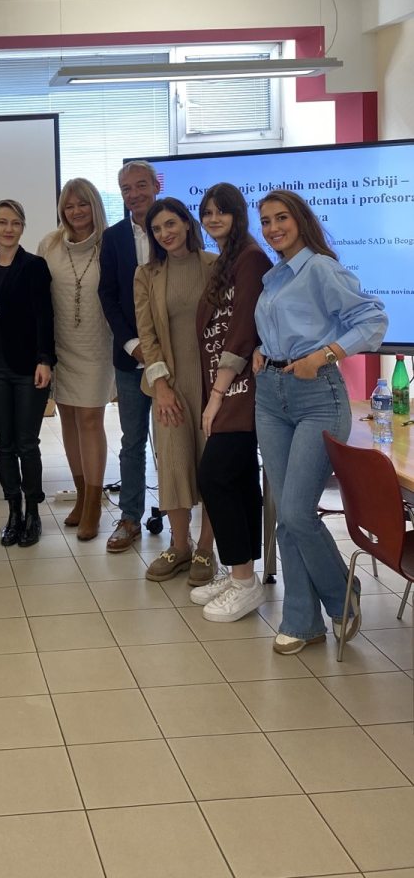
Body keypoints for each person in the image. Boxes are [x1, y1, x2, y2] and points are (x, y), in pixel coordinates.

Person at [253, 189, 387, 654]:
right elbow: (285, 327)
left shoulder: (320, 268)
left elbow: (373, 320)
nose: (273, 228)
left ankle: (342, 595)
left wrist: (324, 355)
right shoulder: (275, 276)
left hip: (316, 397)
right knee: (285, 518)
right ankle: (302, 620)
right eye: (265, 221)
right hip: (271, 396)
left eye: (281, 218)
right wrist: (262, 349)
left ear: (300, 220)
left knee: (295, 512)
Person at [189, 183, 272, 620]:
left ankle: (243, 581)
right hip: (226, 386)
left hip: (242, 390)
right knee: (238, 481)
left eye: (222, 211)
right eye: (207, 212)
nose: (213, 219)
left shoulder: (251, 259)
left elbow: (241, 331)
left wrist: (216, 396)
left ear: (238, 215)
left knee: (215, 477)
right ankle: (242, 573)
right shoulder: (226, 260)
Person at [134, 197, 217, 582]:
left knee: (213, 468)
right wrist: (161, 386)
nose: (165, 233)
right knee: (173, 464)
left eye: (171, 224)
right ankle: (180, 546)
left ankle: (206, 549)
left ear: (186, 223)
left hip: (214, 386)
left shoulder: (214, 266)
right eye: (156, 229)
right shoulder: (146, 275)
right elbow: (147, 335)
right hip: (170, 386)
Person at [37, 178, 114, 541]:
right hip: (61, 345)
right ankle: (82, 496)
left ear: (94, 205)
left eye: (83, 204)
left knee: (89, 418)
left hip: (98, 345)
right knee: (67, 415)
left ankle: (96, 503)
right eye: (69, 206)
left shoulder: (109, 244)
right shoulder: (49, 244)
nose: (76, 211)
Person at [0, 199, 55, 548]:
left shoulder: (35, 266)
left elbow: (44, 316)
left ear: (23, 228)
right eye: (2, 222)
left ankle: (33, 513)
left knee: (27, 442)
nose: (8, 229)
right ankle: (13, 512)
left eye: (15, 223)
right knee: (3, 443)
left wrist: (45, 359)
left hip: (28, 367)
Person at [99, 160, 160, 554]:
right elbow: (107, 294)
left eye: (141, 185)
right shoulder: (114, 237)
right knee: (132, 441)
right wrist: (131, 343)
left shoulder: (174, 227)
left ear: (156, 186)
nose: (134, 194)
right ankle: (130, 517)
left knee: (175, 442)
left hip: (173, 357)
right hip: (131, 358)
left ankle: (183, 515)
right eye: (126, 188)